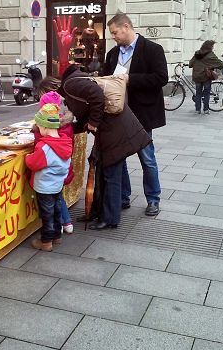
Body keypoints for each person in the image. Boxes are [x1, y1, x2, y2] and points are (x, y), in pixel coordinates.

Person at [60, 64, 150, 230]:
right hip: (111, 132)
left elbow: (97, 97)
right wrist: (66, 128)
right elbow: (86, 117)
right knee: (102, 173)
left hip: (115, 132)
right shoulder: (76, 81)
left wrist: (93, 123)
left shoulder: (71, 84)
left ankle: (110, 218)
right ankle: (97, 211)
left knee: (111, 176)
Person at [102, 13, 168, 216]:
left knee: (147, 158)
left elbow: (161, 78)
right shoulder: (112, 54)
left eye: (114, 32)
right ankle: (123, 197)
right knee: (118, 157)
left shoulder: (152, 49)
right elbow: (107, 79)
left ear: (126, 27)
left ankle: (153, 199)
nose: (113, 36)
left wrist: (130, 79)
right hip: (118, 113)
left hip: (142, 113)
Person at [25, 103, 73, 251]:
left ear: (45, 127)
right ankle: (57, 236)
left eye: (39, 127)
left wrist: (27, 157)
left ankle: (46, 241)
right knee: (57, 210)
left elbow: (33, 164)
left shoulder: (44, 147)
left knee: (47, 214)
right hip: (57, 184)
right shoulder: (65, 143)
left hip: (44, 186)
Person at [36, 83, 75, 234]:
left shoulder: (47, 134)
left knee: (51, 205)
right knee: (59, 197)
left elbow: (35, 160)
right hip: (62, 169)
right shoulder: (66, 125)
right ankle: (65, 224)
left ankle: (52, 233)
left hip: (47, 176)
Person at [189, 40, 223, 114]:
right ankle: (206, 110)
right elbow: (219, 64)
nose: (213, 47)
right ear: (210, 46)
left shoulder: (197, 53)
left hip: (197, 76)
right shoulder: (210, 54)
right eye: (212, 46)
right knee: (206, 93)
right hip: (206, 77)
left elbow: (190, 64)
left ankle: (197, 110)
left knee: (198, 93)